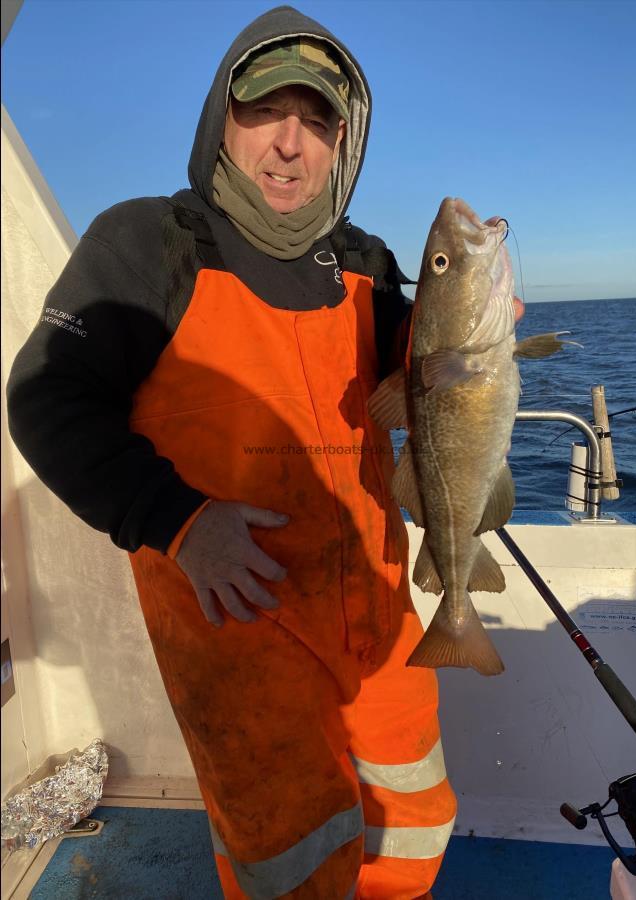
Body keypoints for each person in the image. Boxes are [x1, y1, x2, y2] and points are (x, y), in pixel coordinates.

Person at [6, 6, 516, 897]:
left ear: (342, 140)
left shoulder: (366, 259)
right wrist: (176, 522)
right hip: (234, 620)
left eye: (316, 120)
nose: (289, 143)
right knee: (292, 854)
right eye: (263, 112)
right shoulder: (145, 242)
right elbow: (47, 398)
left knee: (415, 818)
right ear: (221, 119)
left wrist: (475, 329)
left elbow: (422, 375)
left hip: (379, 611)